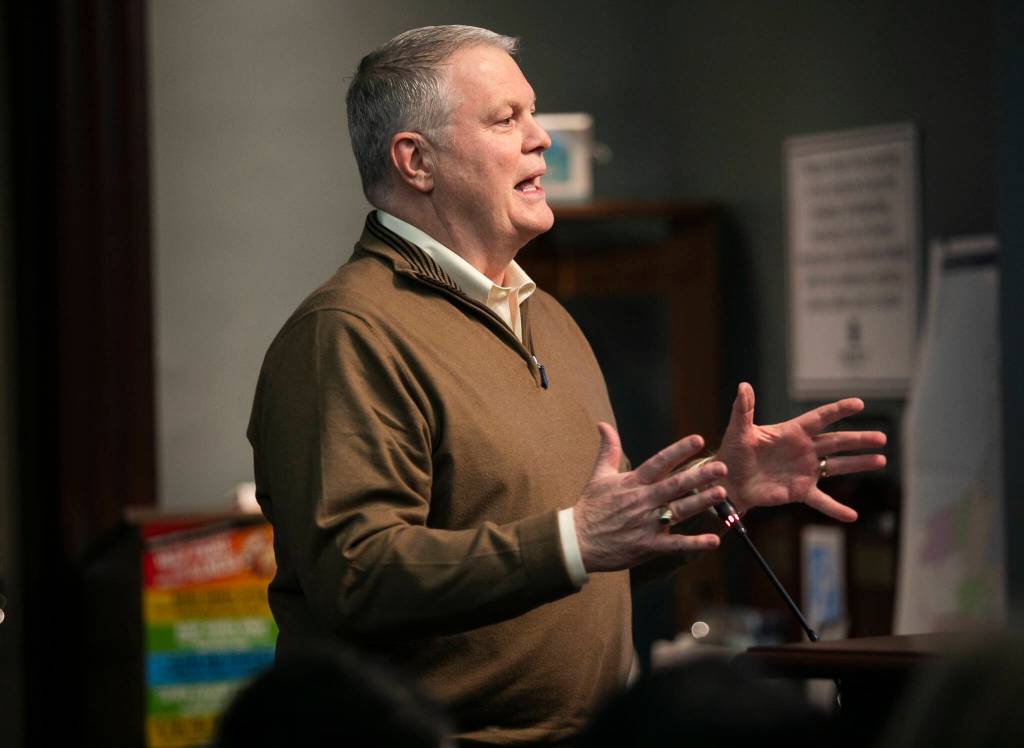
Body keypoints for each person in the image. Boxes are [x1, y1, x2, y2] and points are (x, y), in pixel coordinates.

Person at [247, 24, 886, 746]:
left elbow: (586, 556)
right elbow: (355, 574)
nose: (540, 138)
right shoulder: (348, 332)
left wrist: (713, 493)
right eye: (505, 119)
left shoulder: (545, 317)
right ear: (416, 160)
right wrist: (572, 539)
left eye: (533, 112)